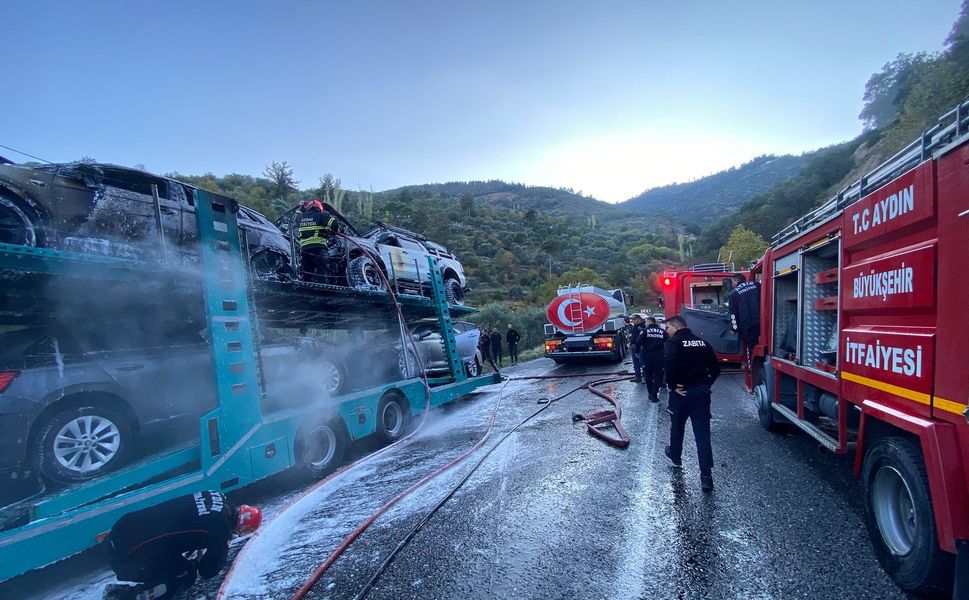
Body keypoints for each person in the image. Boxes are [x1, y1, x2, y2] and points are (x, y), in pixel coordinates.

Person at [102, 491, 262, 600]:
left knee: (177, 554)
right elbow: (208, 570)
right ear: (242, 526)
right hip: (128, 555)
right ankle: (126, 596)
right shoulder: (221, 527)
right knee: (185, 575)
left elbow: (188, 519)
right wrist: (210, 555)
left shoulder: (216, 495)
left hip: (123, 528)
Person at [663, 315, 721, 492]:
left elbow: (669, 364)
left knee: (677, 426)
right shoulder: (702, 343)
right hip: (701, 392)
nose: (666, 331)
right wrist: (707, 383)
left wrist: (672, 385)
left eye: (667, 328)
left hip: (682, 392)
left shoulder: (673, 343)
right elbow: (716, 367)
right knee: (702, 434)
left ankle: (676, 457)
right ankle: (706, 477)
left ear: (675, 326)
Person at [297, 199, 339, 283]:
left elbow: (294, 219)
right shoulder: (321, 215)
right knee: (321, 267)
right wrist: (332, 231)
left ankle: (306, 285)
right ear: (319, 208)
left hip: (305, 248)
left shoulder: (301, 217)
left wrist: (300, 207)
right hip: (318, 247)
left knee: (307, 269)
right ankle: (322, 286)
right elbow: (334, 224)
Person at [726, 273, 761, 366]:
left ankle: (752, 367)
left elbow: (733, 314)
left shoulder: (733, 293)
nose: (732, 284)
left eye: (732, 281)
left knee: (751, 347)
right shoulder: (756, 285)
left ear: (736, 280)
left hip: (749, 325)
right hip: (763, 322)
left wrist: (734, 329)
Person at [640, 316, 667, 403]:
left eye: (646, 322)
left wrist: (637, 352)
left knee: (648, 375)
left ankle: (651, 393)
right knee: (658, 375)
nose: (645, 324)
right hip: (659, 357)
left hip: (648, 357)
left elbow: (638, 342)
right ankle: (654, 394)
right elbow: (667, 342)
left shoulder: (645, 331)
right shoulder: (662, 331)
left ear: (649, 322)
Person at [628, 314, 646, 383]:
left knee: (642, 362)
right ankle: (638, 376)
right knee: (635, 362)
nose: (632, 321)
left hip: (640, 347)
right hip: (634, 345)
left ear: (638, 319)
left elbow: (643, 337)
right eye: (631, 319)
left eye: (633, 319)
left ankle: (644, 377)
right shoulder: (634, 326)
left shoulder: (643, 326)